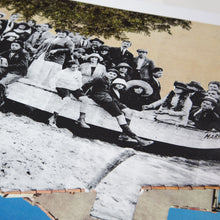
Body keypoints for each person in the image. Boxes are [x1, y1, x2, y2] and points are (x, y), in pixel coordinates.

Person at [82, 69, 153, 146]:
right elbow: (87, 85)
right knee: (120, 116)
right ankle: (137, 139)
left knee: (129, 112)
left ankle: (124, 134)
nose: (112, 75)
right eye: (110, 73)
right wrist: (83, 95)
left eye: (114, 75)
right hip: (103, 99)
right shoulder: (100, 79)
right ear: (106, 73)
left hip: (109, 99)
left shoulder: (109, 82)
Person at [48, 60, 90, 128]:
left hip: (74, 87)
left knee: (85, 100)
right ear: (69, 67)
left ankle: (81, 119)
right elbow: (54, 79)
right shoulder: (62, 72)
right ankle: (53, 117)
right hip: (62, 86)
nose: (75, 69)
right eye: (73, 67)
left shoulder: (78, 73)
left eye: (76, 67)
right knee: (67, 99)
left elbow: (79, 83)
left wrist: (79, 89)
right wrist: (53, 87)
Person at [0, 40, 28, 105]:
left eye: (16, 45)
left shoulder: (23, 53)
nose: (14, 47)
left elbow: (23, 65)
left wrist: (7, 65)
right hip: (8, 70)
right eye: (12, 45)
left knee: (2, 83)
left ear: (20, 46)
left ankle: (1, 101)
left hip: (17, 72)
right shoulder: (9, 51)